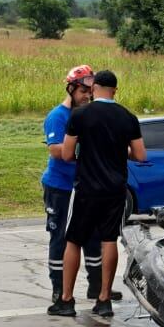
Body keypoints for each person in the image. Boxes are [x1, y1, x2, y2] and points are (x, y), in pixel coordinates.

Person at [48, 70, 146, 318]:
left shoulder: (80, 115)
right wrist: (118, 151)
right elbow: (140, 155)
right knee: (108, 240)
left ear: (95, 88)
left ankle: (66, 299)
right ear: (115, 90)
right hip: (115, 189)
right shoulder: (127, 117)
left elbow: (68, 154)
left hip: (86, 188)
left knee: (74, 241)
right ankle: (104, 299)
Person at [41, 65, 107, 304]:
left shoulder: (92, 113)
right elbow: (57, 151)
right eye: (82, 91)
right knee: (60, 238)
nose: (87, 96)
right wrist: (84, 148)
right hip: (61, 187)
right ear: (71, 89)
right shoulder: (58, 116)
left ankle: (96, 286)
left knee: (93, 236)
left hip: (87, 186)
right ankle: (59, 291)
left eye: (90, 92)